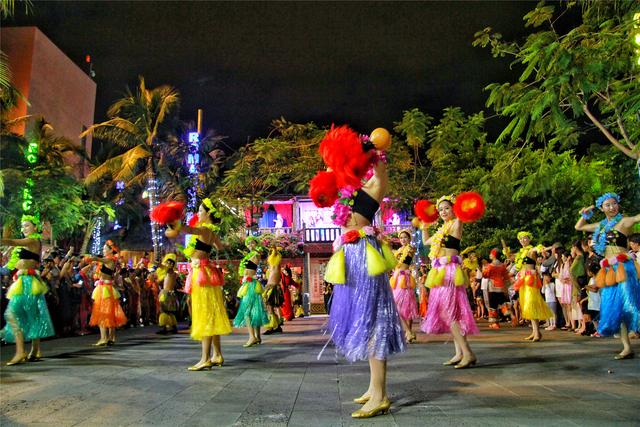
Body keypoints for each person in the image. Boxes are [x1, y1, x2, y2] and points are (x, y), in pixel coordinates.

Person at [311, 125, 403, 419]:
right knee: (362, 320)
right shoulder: (343, 190)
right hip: (347, 257)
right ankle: (373, 386)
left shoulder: (373, 187)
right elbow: (329, 173)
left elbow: (380, 174)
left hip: (365, 255)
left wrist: (374, 151)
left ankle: (380, 394)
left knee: (374, 320)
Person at [165, 198, 232, 370]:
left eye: (201, 211)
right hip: (207, 272)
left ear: (208, 214)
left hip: (202, 274)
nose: (198, 214)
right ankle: (217, 354)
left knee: (205, 314)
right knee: (212, 313)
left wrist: (172, 219)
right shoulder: (211, 232)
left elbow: (187, 229)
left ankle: (205, 359)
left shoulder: (202, 229)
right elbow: (220, 247)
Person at [575, 192, 640, 359]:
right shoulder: (601, 226)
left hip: (624, 266)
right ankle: (627, 348)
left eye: (614, 204)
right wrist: (585, 215)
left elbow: (637, 218)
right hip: (609, 269)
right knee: (616, 308)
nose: (612, 207)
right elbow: (579, 227)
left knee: (630, 304)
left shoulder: (624, 222)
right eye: (607, 205)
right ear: (601, 208)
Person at [420, 194, 479, 368]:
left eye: (447, 208)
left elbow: (462, 214)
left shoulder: (456, 224)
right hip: (439, 271)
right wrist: (424, 226)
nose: (443, 211)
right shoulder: (442, 229)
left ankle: (468, 353)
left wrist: (461, 206)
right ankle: (459, 353)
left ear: (453, 209)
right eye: (440, 209)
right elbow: (426, 241)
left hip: (450, 271)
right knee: (448, 312)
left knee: (450, 311)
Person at [0, 215, 55, 365]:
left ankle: (20, 352)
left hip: (28, 282)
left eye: (27, 226)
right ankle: (35, 350)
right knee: (32, 315)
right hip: (23, 280)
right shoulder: (26, 244)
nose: (24, 229)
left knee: (11, 313)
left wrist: (5, 237)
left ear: (35, 228)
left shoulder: (32, 240)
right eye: (22, 226)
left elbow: (10, 241)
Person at [88, 240, 127, 346]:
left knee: (103, 312)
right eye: (103, 249)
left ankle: (104, 338)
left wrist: (92, 258)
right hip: (104, 287)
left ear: (111, 250)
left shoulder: (110, 261)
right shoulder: (108, 261)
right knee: (109, 312)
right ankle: (111, 337)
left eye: (105, 249)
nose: (103, 251)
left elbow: (98, 258)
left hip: (105, 289)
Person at [233, 236, 269, 346]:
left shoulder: (256, 254)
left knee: (247, 311)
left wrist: (256, 250)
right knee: (254, 310)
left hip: (251, 284)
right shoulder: (250, 255)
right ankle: (257, 336)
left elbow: (259, 255)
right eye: (248, 244)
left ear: (256, 244)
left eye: (252, 243)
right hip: (248, 284)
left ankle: (252, 337)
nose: (250, 245)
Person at [390, 229, 419, 343]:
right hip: (396, 279)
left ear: (409, 238)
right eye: (401, 238)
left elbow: (407, 257)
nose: (403, 239)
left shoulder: (410, 249)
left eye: (405, 237)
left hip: (405, 279)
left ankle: (409, 332)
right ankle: (409, 331)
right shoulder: (398, 251)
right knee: (396, 306)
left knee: (408, 305)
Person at [482, 249, 511, 329]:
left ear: (494, 255)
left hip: (492, 287)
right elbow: (506, 277)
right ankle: (506, 310)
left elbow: (485, 275)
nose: (489, 255)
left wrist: (483, 270)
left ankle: (495, 323)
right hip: (501, 286)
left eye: (491, 254)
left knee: (493, 305)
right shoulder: (502, 265)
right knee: (502, 302)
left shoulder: (490, 266)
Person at [263, 246, 284, 335]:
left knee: (269, 308)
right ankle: (276, 326)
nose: (270, 253)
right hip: (270, 287)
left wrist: (274, 248)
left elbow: (274, 253)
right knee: (269, 308)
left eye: (271, 252)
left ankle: (272, 327)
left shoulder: (276, 264)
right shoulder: (271, 266)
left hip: (272, 287)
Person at [156, 253, 179, 334]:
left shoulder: (169, 271)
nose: (166, 264)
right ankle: (173, 327)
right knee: (169, 311)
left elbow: (161, 266)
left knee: (164, 310)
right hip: (171, 293)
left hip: (166, 293)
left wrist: (159, 263)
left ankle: (164, 327)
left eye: (168, 263)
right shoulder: (174, 273)